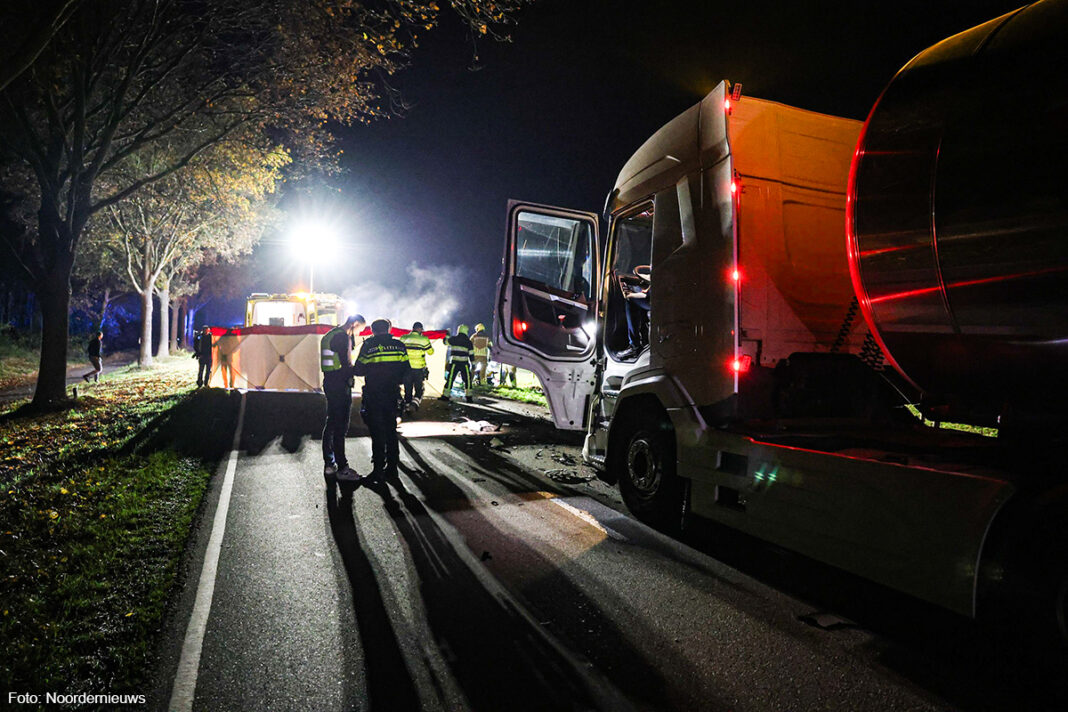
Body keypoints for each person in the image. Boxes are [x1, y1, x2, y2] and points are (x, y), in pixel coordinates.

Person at [352, 318, 410, 483]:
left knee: (377, 431)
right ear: (389, 329)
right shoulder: (399, 345)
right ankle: (392, 469)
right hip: (392, 393)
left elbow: (359, 369)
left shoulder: (369, 345)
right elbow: (407, 371)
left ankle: (378, 470)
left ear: (373, 331)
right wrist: (406, 395)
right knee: (391, 430)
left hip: (374, 395)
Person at [321, 314, 366, 482]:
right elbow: (346, 364)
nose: (358, 333)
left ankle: (329, 464)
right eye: (359, 329)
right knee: (340, 426)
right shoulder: (343, 337)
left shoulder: (331, 334)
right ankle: (343, 468)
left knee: (331, 423)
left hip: (329, 381)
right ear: (354, 324)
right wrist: (357, 371)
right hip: (340, 384)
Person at [398, 321, 434, 413]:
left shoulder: (403, 338)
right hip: (419, 368)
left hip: (406, 368)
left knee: (407, 388)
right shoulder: (424, 339)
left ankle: (407, 405)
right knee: (419, 389)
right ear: (420, 329)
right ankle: (414, 403)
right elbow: (431, 352)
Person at [440, 324, 474, 402]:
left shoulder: (453, 339)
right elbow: (471, 354)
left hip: (454, 363)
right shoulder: (468, 342)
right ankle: (469, 397)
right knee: (468, 380)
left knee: (450, 379)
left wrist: (447, 335)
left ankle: (445, 396)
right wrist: (473, 364)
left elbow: (445, 342)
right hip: (464, 364)